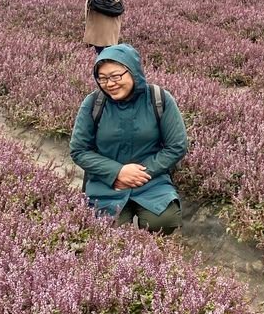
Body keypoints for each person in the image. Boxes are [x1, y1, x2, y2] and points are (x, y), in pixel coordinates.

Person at [70, 44, 188, 234]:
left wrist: (139, 174)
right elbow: (79, 150)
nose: (110, 83)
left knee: (164, 221)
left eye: (116, 76)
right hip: (106, 182)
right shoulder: (93, 103)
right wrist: (117, 172)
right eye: (103, 78)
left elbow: (177, 146)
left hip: (151, 180)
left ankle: (155, 258)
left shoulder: (159, 98)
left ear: (133, 71)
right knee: (111, 232)